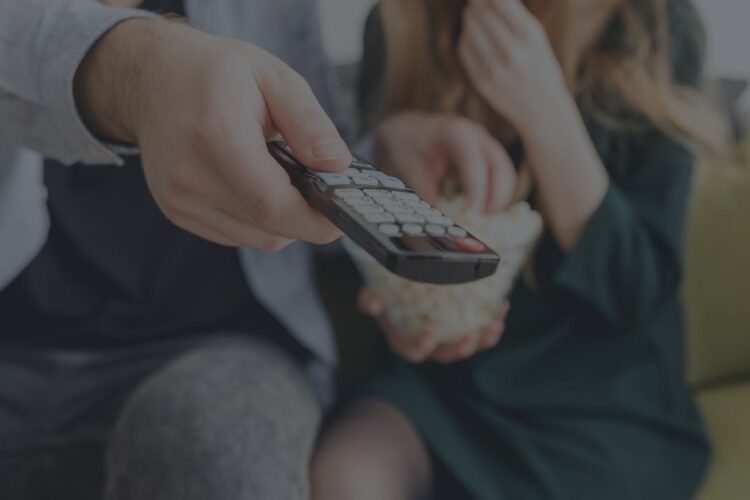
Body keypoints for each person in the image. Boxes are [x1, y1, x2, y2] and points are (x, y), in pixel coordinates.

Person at [311, 0, 727, 499]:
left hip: (602, 406)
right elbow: (383, 257)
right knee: (343, 475)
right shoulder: (398, 25)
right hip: (441, 391)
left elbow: (633, 290)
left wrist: (545, 110)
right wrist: (404, 308)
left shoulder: (653, 24)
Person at [0, 0, 353, 499]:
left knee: (216, 440)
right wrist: (142, 73)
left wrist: (395, 144)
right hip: (13, 341)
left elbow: (326, 131)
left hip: (220, 348)